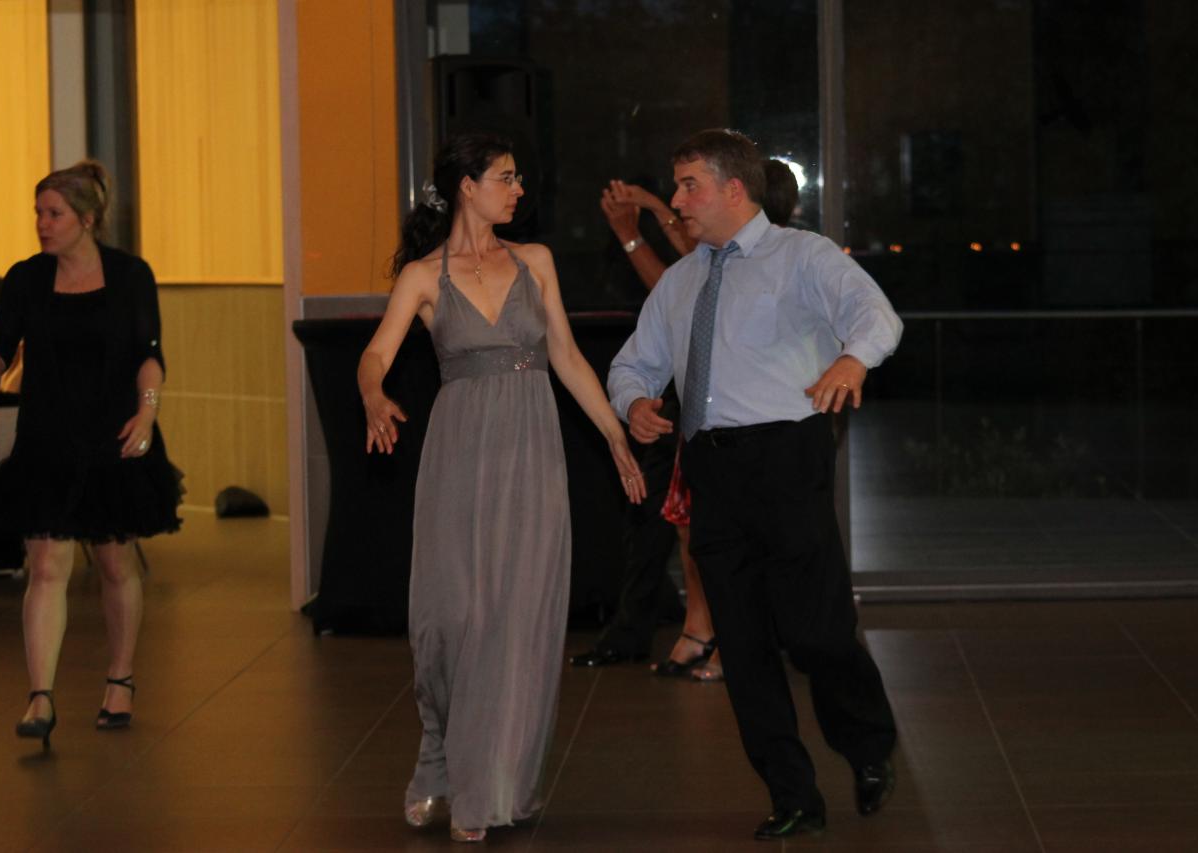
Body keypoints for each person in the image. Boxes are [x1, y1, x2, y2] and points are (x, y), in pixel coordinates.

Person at [607, 129, 902, 841]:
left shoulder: (803, 255)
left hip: (788, 457)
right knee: (741, 646)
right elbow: (632, 364)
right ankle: (792, 794)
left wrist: (852, 361)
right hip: (712, 468)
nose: (676, 200)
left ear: (733, 189)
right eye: (677, 185)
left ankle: (868, 745)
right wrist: (635, 401)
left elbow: (878, 317)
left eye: (689, 186)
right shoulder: (681, 282)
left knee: (815, 633)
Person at [357, 132, 644, 843]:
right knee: (449, 618)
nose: (518, 191)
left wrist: (614, 435)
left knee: (514, 623)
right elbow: (375, 354)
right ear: (468, 186)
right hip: (459, 457)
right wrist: (372, 394)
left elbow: (566, 356)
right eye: (506, 178)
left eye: (519, 179)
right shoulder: (423, 276)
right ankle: (437, 752)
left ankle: (488, 790)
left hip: (532, 453)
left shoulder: (535, 261)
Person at [576, 160, 802, 682]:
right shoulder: (717, 253)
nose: (683, 200)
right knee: (691, 526)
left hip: (750, 418)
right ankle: (702, 628)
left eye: (691, 188)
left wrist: (635, 228)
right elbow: (682, 274)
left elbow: (676, 282)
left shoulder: (764, 256)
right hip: (701, 407)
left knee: (737, 534)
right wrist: (651, 209)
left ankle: (738, 638)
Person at [0, 160, 182, 749]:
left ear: (88, 219)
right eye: (38, 213)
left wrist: (147, 412)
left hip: (113, 435)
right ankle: (40, 696)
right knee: (47, 566)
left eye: (54, 214)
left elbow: (149, 353)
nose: (42, 224)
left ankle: (120, 678)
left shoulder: (129, 276)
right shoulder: (26, 279)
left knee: (114, 564)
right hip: (47, 439)